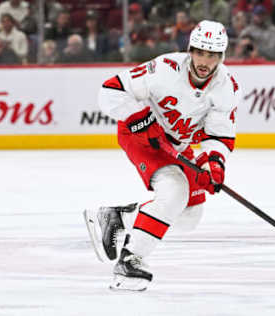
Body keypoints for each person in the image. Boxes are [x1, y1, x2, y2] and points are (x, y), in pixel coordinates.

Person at [84, 20, 241, 291]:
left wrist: (214, 162)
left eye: (212, 55)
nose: (205, 61)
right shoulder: (164, 69)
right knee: (175, 192)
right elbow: (110, 90)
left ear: (222, 56)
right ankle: (130, 259)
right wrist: (139, 118)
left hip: (176, 146)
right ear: (190, 49)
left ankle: (118, 217)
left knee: (191, 215)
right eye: (200, 52)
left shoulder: (227, 87)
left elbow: (218, 135)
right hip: (140, 137)